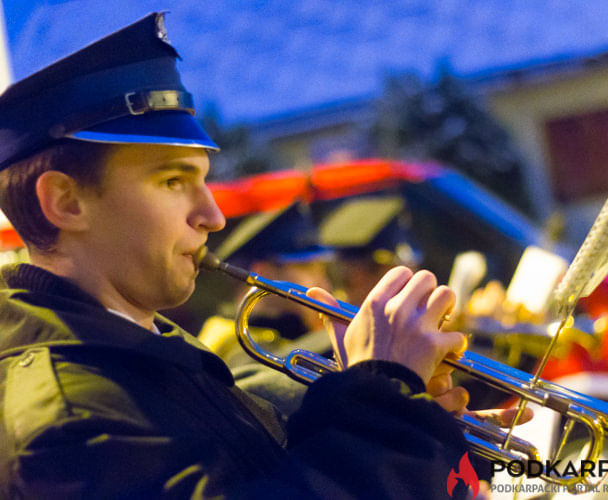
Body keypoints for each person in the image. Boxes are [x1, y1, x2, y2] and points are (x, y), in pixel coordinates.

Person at [0, 13, 527, 498]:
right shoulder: (68, 415)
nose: (212, 216)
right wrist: (383, 404)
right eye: (172, 180)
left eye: (203, 181)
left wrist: (415, 429)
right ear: (65, 202)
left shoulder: (142, 348)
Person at [198, 201, 334, 416]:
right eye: (309, 269)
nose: (324, 284)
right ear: (264, 274)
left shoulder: (287, 334)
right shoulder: (233, 346)